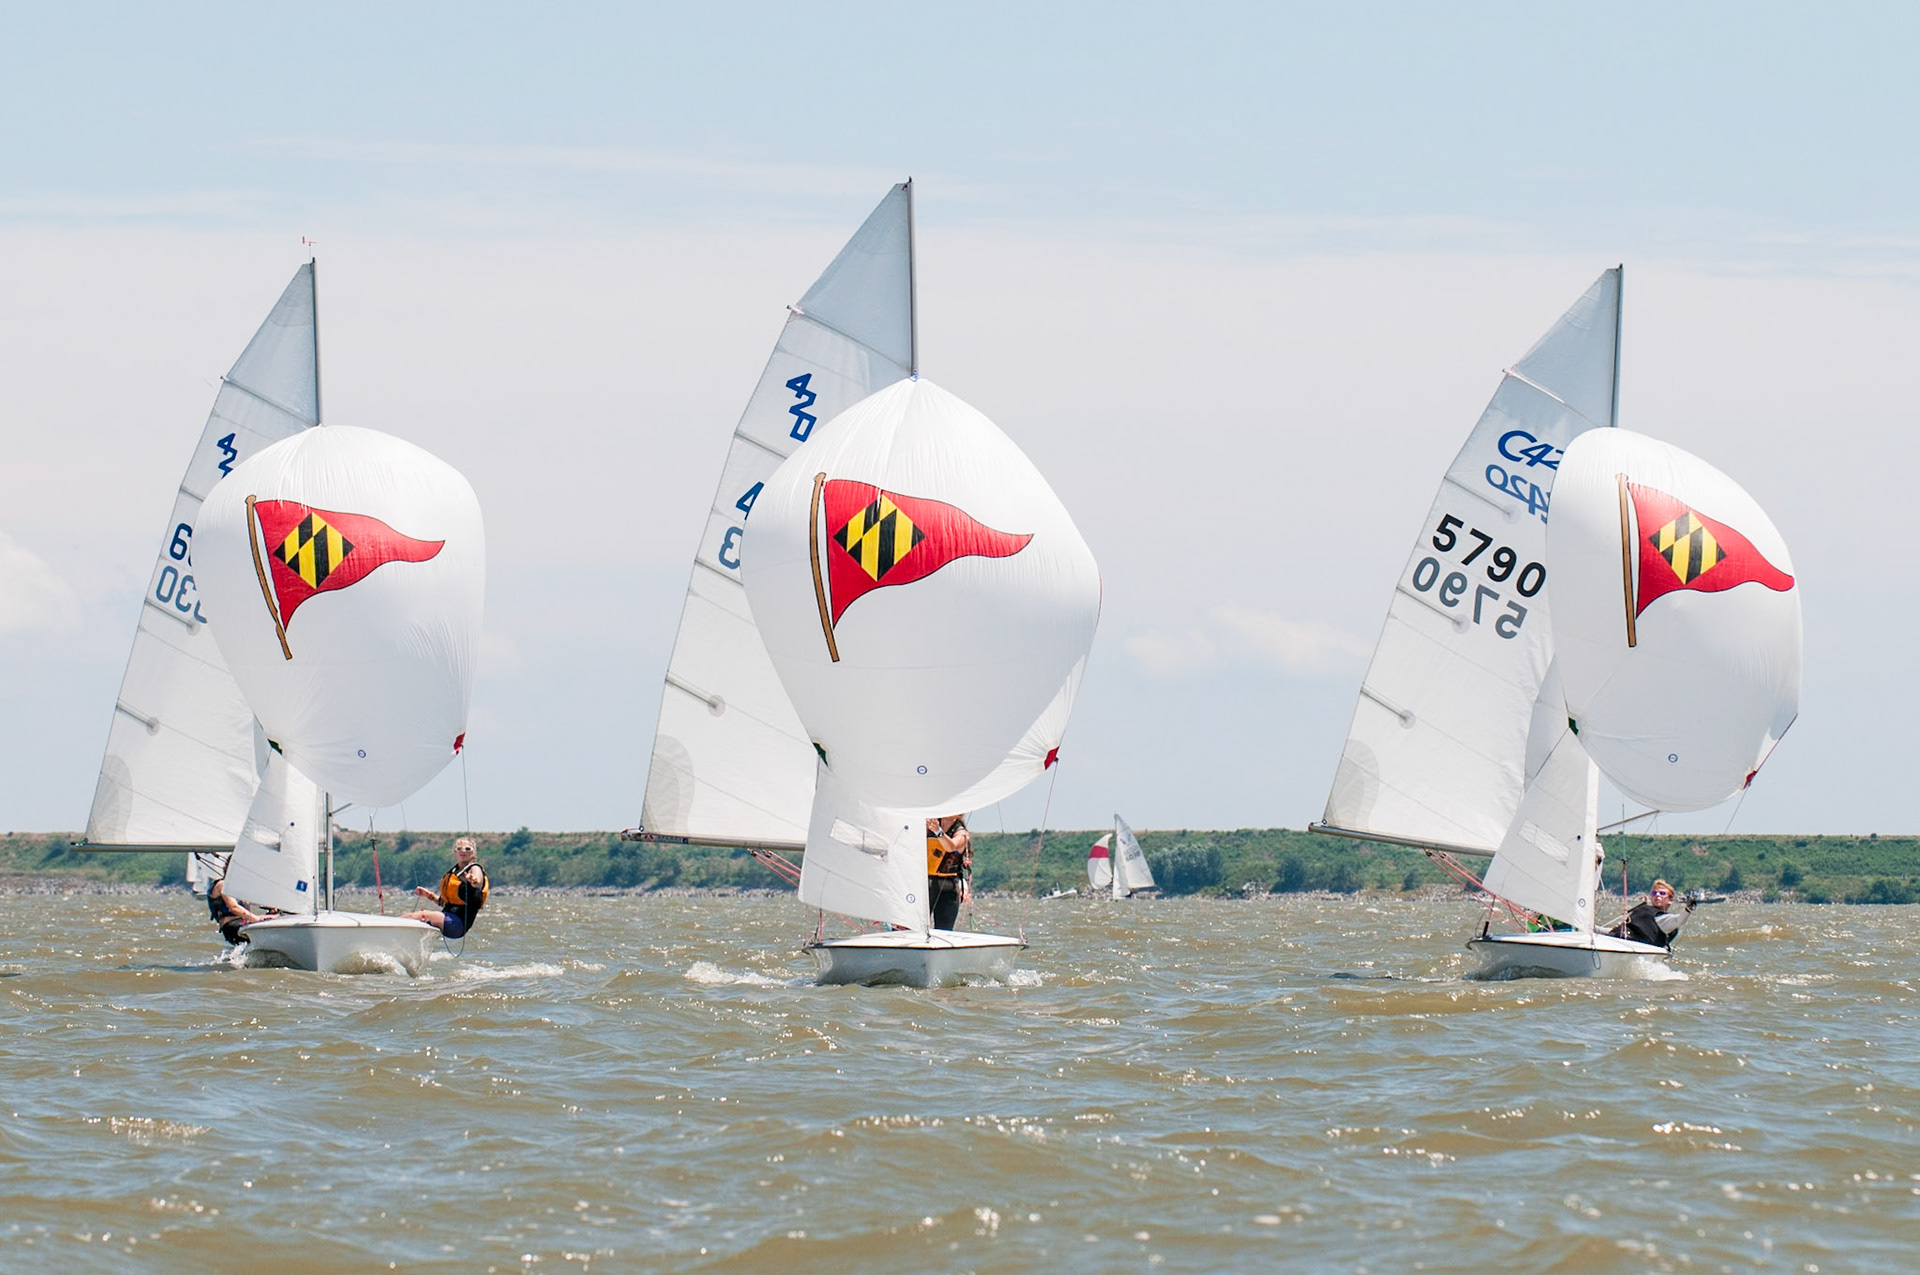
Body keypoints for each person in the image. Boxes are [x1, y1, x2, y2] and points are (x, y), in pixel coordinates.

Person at [404, 837, 489, 938]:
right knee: (414, 920)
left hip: (457, 924)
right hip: (448, 919)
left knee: (411, 917)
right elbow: (444, 903)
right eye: (459, 848)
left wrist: (473, 880)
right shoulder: (454, 872)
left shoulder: (474, 868)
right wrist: (429, 895)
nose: (463, 851)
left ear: (473, 853)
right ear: (455, 853)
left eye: (468, 849)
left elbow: (478, 881)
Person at [1612, 879, 1694, 949]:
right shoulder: (1644, 909)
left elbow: (1678, 920)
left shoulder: (1665, 920)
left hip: (1632, 946)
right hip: (1616, 937)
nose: (1657, 895)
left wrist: (1688, 909)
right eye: (1654, 893)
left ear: (1670, 900)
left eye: (1662, 893)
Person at [925, 815, 972, 931]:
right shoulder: (928, 827)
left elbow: (951, 847)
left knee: (944, 929)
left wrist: (937, 831)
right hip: (926, 883)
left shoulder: (961, 834)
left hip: (949, 886)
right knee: (916, 926)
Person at [206, 877, 267, 946]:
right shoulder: (222, 884)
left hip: (242, 923)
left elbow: (248, 913)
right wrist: (258, 920)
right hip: (231, 927)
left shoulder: (240, 886)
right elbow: (234, 908)